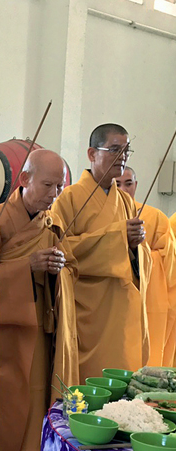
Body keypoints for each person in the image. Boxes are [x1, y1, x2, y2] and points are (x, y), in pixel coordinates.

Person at [0, 150, 78, 451]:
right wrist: (27, 267)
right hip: (3, 336)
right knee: (4, 413)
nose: (54, 194)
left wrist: (58, 271)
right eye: (47, 185)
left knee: (35, 413)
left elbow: (71, 272)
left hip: (41, 332)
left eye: (59, 186)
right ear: (24, 180)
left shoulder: (53, 224)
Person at [51, 123, 151, 380]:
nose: (122, 157)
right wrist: (118, 237)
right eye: (115, 150)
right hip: (86, 309)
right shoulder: (69, 198)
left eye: (126, 150)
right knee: (87, 382)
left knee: (120, 380)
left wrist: (135, 247)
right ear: (92, 153)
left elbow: (141, 259)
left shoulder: (126, 201)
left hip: (119, 308)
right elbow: (61, 250)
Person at [116, 166, 176, 366]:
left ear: (136, 185)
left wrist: (138, 253)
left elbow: (169, 262)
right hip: (113, 298)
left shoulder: (155, 217)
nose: (123, 190)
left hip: (149, 301)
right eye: (117, 184)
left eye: (128, 184)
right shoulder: (101, 217)